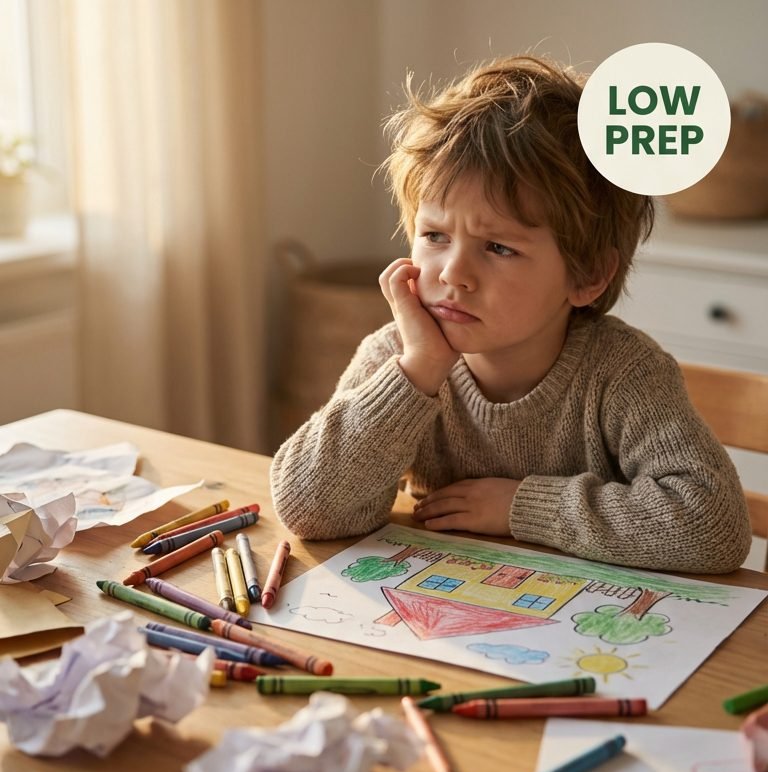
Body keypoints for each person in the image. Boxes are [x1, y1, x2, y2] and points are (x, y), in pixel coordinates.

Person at [270, 56, 751, 573]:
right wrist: (417, 373)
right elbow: (308, 508)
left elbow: (715, 528)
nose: (454, 273)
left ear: (587, 275)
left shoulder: (624, 373)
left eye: (498, 247)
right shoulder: (399, 356)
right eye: (435, 235)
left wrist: (523, 507)